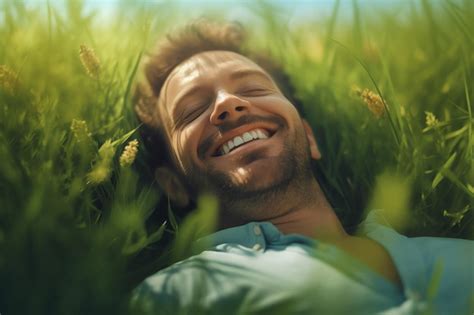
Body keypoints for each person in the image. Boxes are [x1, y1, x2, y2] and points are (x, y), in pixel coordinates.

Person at [131, 20, 474, 315]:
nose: (229, 104)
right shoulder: (175, 294)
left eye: (253, 88)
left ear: (309, 137)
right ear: (173, 184)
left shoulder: (461, 253)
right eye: (191, 110)